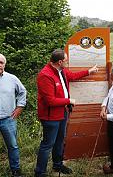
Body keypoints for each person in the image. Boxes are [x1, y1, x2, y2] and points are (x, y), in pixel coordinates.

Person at [35, 49, 98, 177]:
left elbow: (72, 76)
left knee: (60, 140)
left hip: (62, 113)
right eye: (66, 61)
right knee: (48, 144)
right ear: (59, 62)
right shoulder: (45, 75)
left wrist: (88, 71)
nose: (67, 63)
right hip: (50, 117)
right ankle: (40, 172)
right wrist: (69, 100)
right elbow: (49, 101)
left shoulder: (61, 70)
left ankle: (57, 165)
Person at [0, 53, 27, 177]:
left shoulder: (12, 78)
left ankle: (15, 169)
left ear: (5, 64)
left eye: (1, 62)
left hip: (9, 119)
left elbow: (23, 92)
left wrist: (19, 107)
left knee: (13, 146)